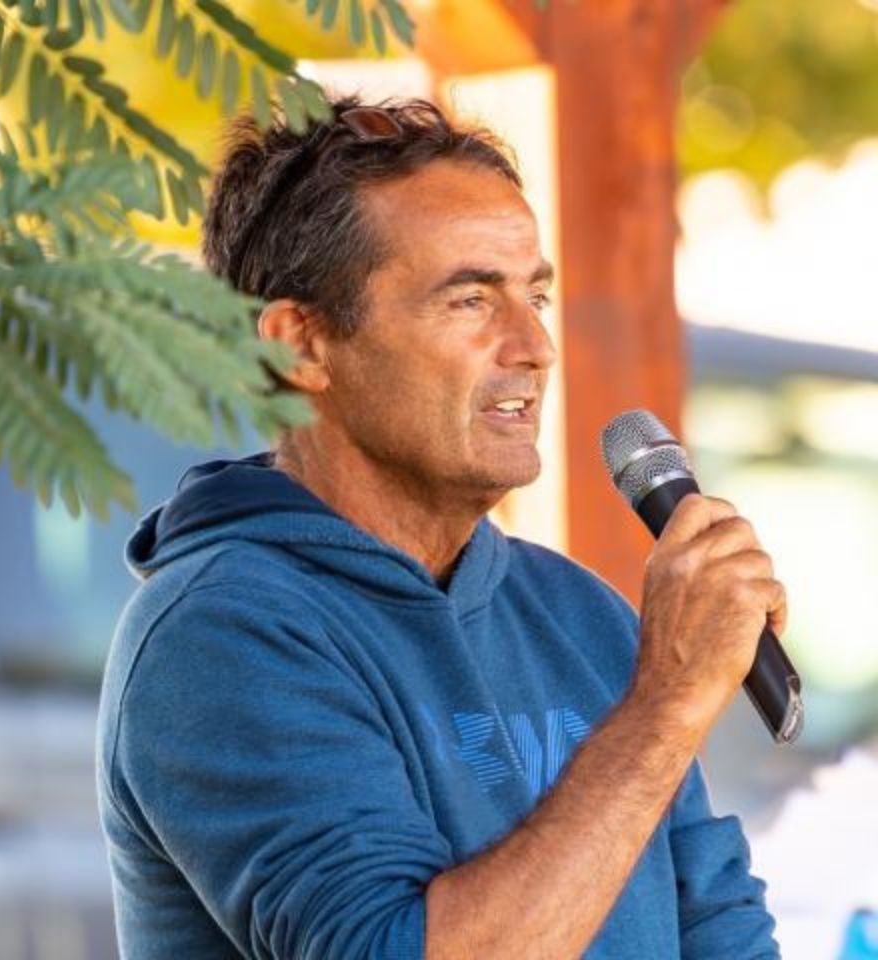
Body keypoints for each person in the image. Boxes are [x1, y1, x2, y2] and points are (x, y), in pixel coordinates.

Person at [96, 94, 784, 959]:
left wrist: (661, 704)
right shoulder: (221, 634)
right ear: (298, 347)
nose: (533, 343)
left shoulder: (579, 613)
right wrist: (667, 704)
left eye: (535, 294)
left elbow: (720, 929)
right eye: (469, 299)